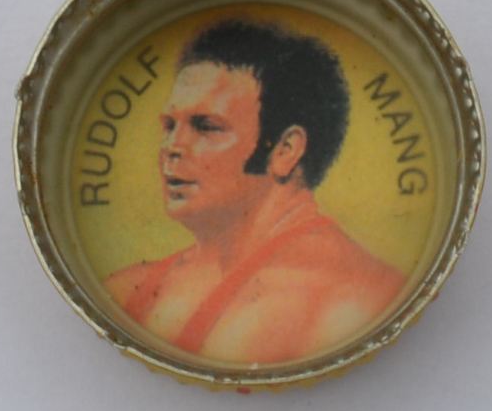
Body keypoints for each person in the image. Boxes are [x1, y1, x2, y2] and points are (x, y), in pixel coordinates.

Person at [105, 19, 404, 364]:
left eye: (206, 127)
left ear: (285, 151)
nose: (172, 146)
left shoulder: (362, 300)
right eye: (170, 126)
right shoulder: (129, 289)